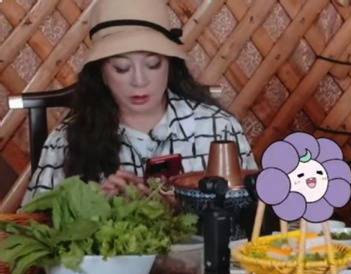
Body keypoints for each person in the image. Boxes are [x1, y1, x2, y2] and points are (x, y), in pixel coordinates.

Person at [24, 0, 256, 205]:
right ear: (101, 73)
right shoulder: (66, 140)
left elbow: (256, 214)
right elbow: (32, 225)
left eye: (153, 64)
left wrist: (184, 204)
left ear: (170, 65)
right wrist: (93, 207)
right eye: (121, 68)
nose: (139, 81)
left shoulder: (219, 128)